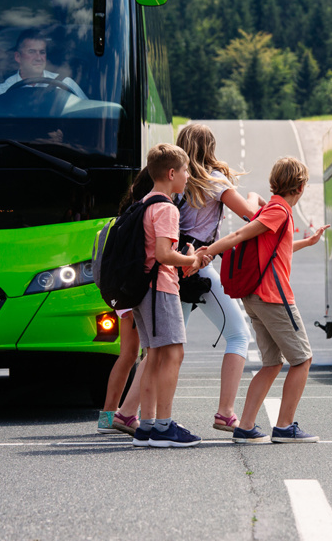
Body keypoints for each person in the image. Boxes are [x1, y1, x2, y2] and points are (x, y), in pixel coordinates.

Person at [203, 157, 329, 444]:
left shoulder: (273, 208)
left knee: (272, 363)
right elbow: (238, 234)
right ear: (300, 187)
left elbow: (276, 247)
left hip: (256, 296)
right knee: (302, 359)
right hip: (273, 296)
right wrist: (206, 253)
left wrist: (306, 243)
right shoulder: (279, 211)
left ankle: (246, 426)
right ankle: (284, 426)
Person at [175, 123, 266, 433]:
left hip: (175, 266)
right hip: (199, 266)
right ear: (210, 147)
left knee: (167, 345)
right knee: (239, 336)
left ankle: (128, 412)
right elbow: (250, 215)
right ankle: (226, 412)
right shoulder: (214, 181)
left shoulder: (178, 181)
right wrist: (254, 194)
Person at [131, 143, 208, 448]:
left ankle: (147, 425)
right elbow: (164, 254)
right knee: (174, 354)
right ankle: (163, 427)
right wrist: (193, 260)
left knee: (154, 356)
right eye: (186, 170)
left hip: (142, 289)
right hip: (160, 288)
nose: (188, 176)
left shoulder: (144, 202)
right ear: (172, 173)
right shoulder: (166, 208)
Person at [96, 169, 154, 435]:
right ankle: (123, 415)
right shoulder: (142, 215)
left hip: (118, 293)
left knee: (129, 355)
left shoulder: (122, 216)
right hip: (132, 294)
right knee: (139, 354)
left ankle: (109, 417)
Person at [0, 28, 87, 98]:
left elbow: (86, 113)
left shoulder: (65, 83)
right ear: (18, 57)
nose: (38, 58)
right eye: (31, 52)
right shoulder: (2, 92)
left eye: (42, 52)